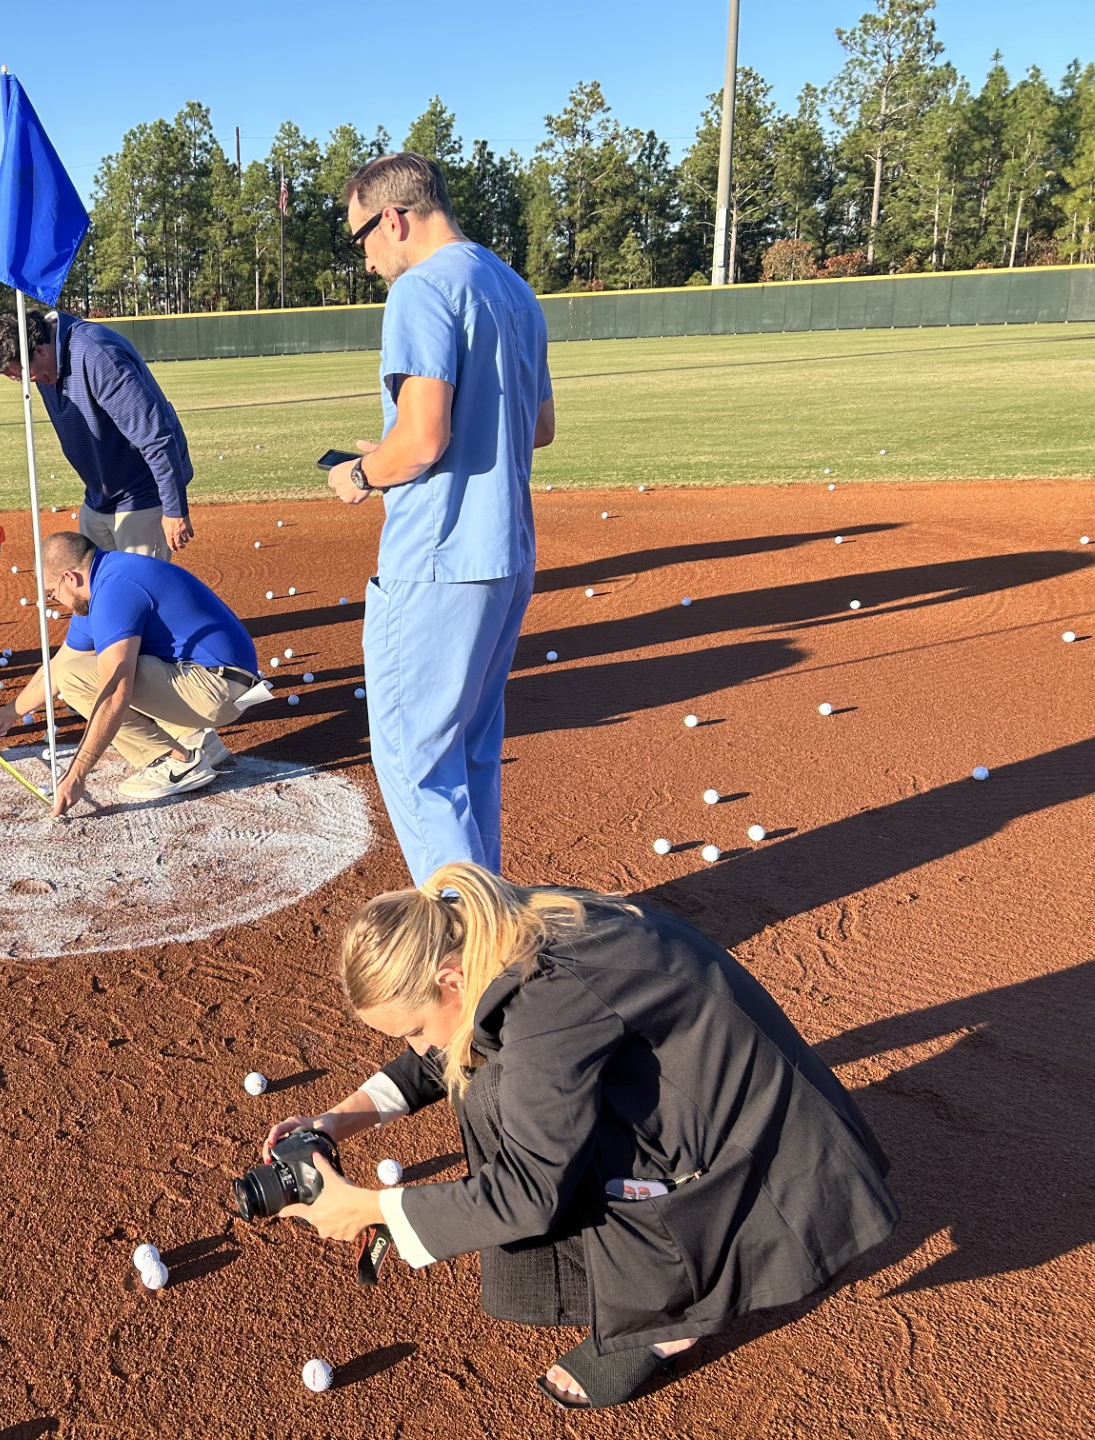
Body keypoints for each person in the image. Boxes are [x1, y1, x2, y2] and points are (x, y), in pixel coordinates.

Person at [263, 863, 898, 1411]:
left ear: (450, 979)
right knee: (484, 1081)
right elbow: (455, 1043)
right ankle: (618, 1270)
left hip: (770, 1162)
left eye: (410, 1028)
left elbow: (527, 1194)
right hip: (719, 1102)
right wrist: (337, 1119)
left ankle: (671, 1315)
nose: (416, 1045)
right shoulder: (499, 929)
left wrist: (368, 1208)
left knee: (503, 1110)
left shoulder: (551, 1001)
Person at [324, 153, 556, 884]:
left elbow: (423, 439)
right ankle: (490, 917)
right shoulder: (512, 285)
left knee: (416, 759)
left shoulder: (421, 291)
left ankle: (467, 947)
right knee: (470, 752)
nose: (365, 258)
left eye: (362, 236)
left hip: (438, 557)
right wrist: (397, 447)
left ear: (393, 218)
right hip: (505, 553)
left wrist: (364, 472)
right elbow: (538, 426)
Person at [0, 532, 259, 816]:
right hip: (220, 682)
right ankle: (198, 740)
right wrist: (7, 716)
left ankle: (178, 762)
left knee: (93, 676)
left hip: (215, 690)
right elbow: (57, 668)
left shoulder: (114, 591)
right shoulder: (110, 577)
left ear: (70, 578)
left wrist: (77, 774)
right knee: (83, 668)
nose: (54, 600)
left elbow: (114, 693)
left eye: (52, 592)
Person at [0, 309, 193, 559]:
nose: (27, 382)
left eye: (23, 374)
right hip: (99, 498)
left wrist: (173, 509)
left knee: (139, 591)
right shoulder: (44, 365)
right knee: (96, 589)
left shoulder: (96, 355)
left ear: (40, 351)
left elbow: (154, 435)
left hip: (142, 495)